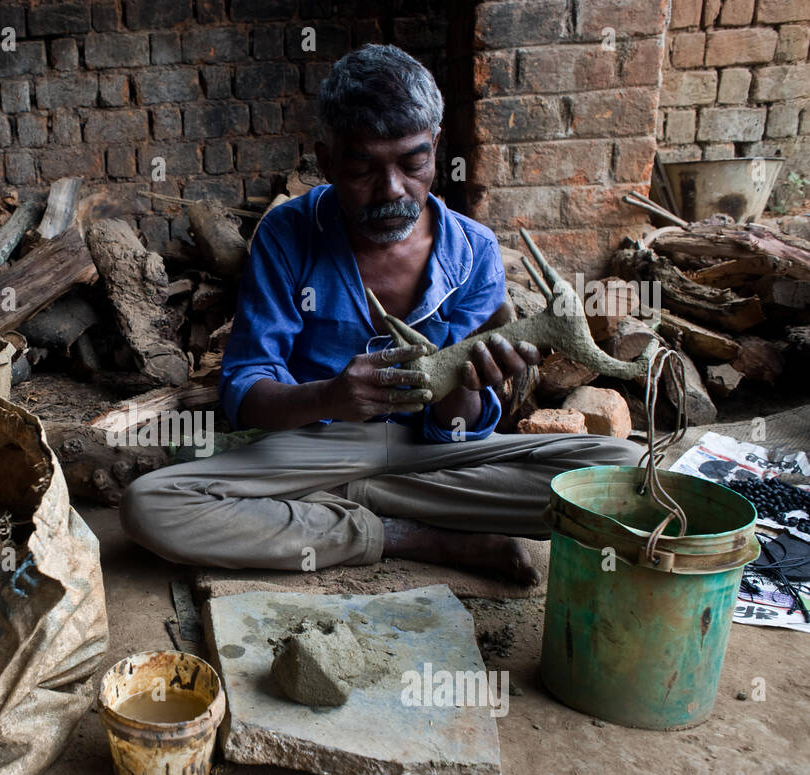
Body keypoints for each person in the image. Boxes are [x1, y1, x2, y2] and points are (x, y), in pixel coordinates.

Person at [120, 43, 641, 584]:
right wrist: (329, 397)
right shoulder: (288, 234)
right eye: (361, 166)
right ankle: (407, 536)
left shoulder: (474, 252)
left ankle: (342, 502)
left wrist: (467, 383)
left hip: (432, 458)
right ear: (325, 160)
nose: (392, 190)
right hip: (317, 448)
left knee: (620, 471)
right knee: (151, 505)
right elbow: (245, 394)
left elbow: (460, 431)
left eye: (413, 162)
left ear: (436, 147)